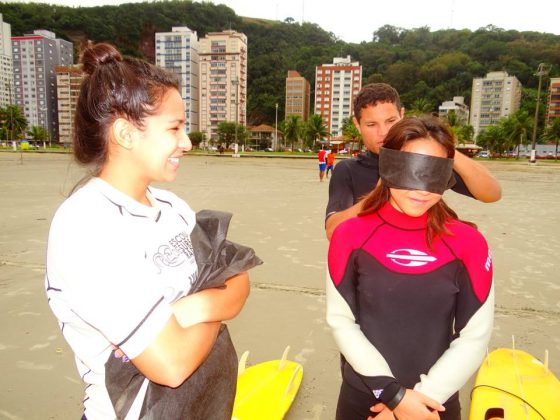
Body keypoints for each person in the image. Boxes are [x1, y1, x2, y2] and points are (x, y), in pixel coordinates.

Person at [45, 43, 255, 419]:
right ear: (126, 133)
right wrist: (215, 305)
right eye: (174, 127)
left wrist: (188, 309)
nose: (186, 142)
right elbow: (171, 364)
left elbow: (238, 281)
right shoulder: (86, 225)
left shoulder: (172, 207)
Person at [326, 116, 494, 420]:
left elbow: (474, 336)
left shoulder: (469, 242)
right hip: (365, 397)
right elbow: (341, 321)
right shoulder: (349, 235)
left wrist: (420, 402)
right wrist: (393, 396)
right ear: (387, 166)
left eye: (434, 173)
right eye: (409, 169)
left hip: (435, 403)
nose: (421, 189)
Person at [325, 83, 502, 239]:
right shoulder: (348, 169)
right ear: (357, 124)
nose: (383, 132)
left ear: (402, 114)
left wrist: (441, 147)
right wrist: (381, 189)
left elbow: (492, 194)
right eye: (372, 125)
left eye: (391, 121)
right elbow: (333, 232)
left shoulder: (426, 159)